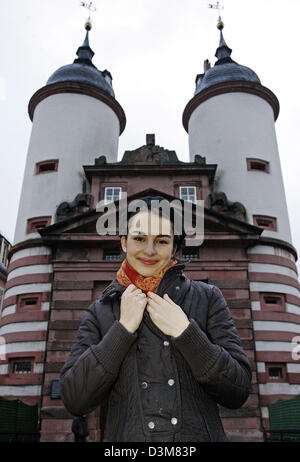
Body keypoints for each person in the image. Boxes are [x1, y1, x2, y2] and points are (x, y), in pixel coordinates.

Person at [59, 196, 252, 442]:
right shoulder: (101, 311)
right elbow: (74, 399)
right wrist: (122, 330)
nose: (149, 251)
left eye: (161, 241)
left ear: (174, 248)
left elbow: (238, 391)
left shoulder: (208, 298)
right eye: (139, 239)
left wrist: (185, 332)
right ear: (124, 243)